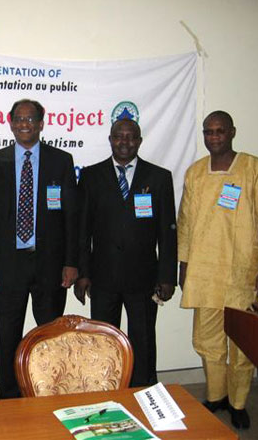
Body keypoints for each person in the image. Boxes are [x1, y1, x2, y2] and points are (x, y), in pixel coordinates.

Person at [178, 111, 258, 429]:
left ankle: (238, 402)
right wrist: (184, 265)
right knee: (208, 340)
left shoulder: (255, 168)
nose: (214, 137)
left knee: (242, 343)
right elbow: (185, 223)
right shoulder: (196, 173)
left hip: (243, 274)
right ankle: (216, 396)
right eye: (208, 132)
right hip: (204, 273)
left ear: (232, 132)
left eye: (220, 131)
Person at [0, 99, 78, 399]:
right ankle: (10, 398)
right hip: (7, 266)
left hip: (50, 264)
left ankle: (48, 392)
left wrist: (71, 261)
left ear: (41, 124)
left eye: (31, 119)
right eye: (19, 119)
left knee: (49, 335)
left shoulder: (61, 161)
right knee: (9, 335)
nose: (25, 124)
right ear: (10, 123)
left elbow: (71, 216)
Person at [75, 118, 177, 387]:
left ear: (139, 141)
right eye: (119, 136)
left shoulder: (159, 177)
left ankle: (144, 392)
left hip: (144, 278)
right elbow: (82, 230)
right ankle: (104, 389)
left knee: (143, 341)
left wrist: (167, 276)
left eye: (131, 137)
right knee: (103, 342)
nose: (124, 142)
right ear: (110, 140)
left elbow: (168, 232)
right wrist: (83, 273)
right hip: (103, 277)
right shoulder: (91, 176)